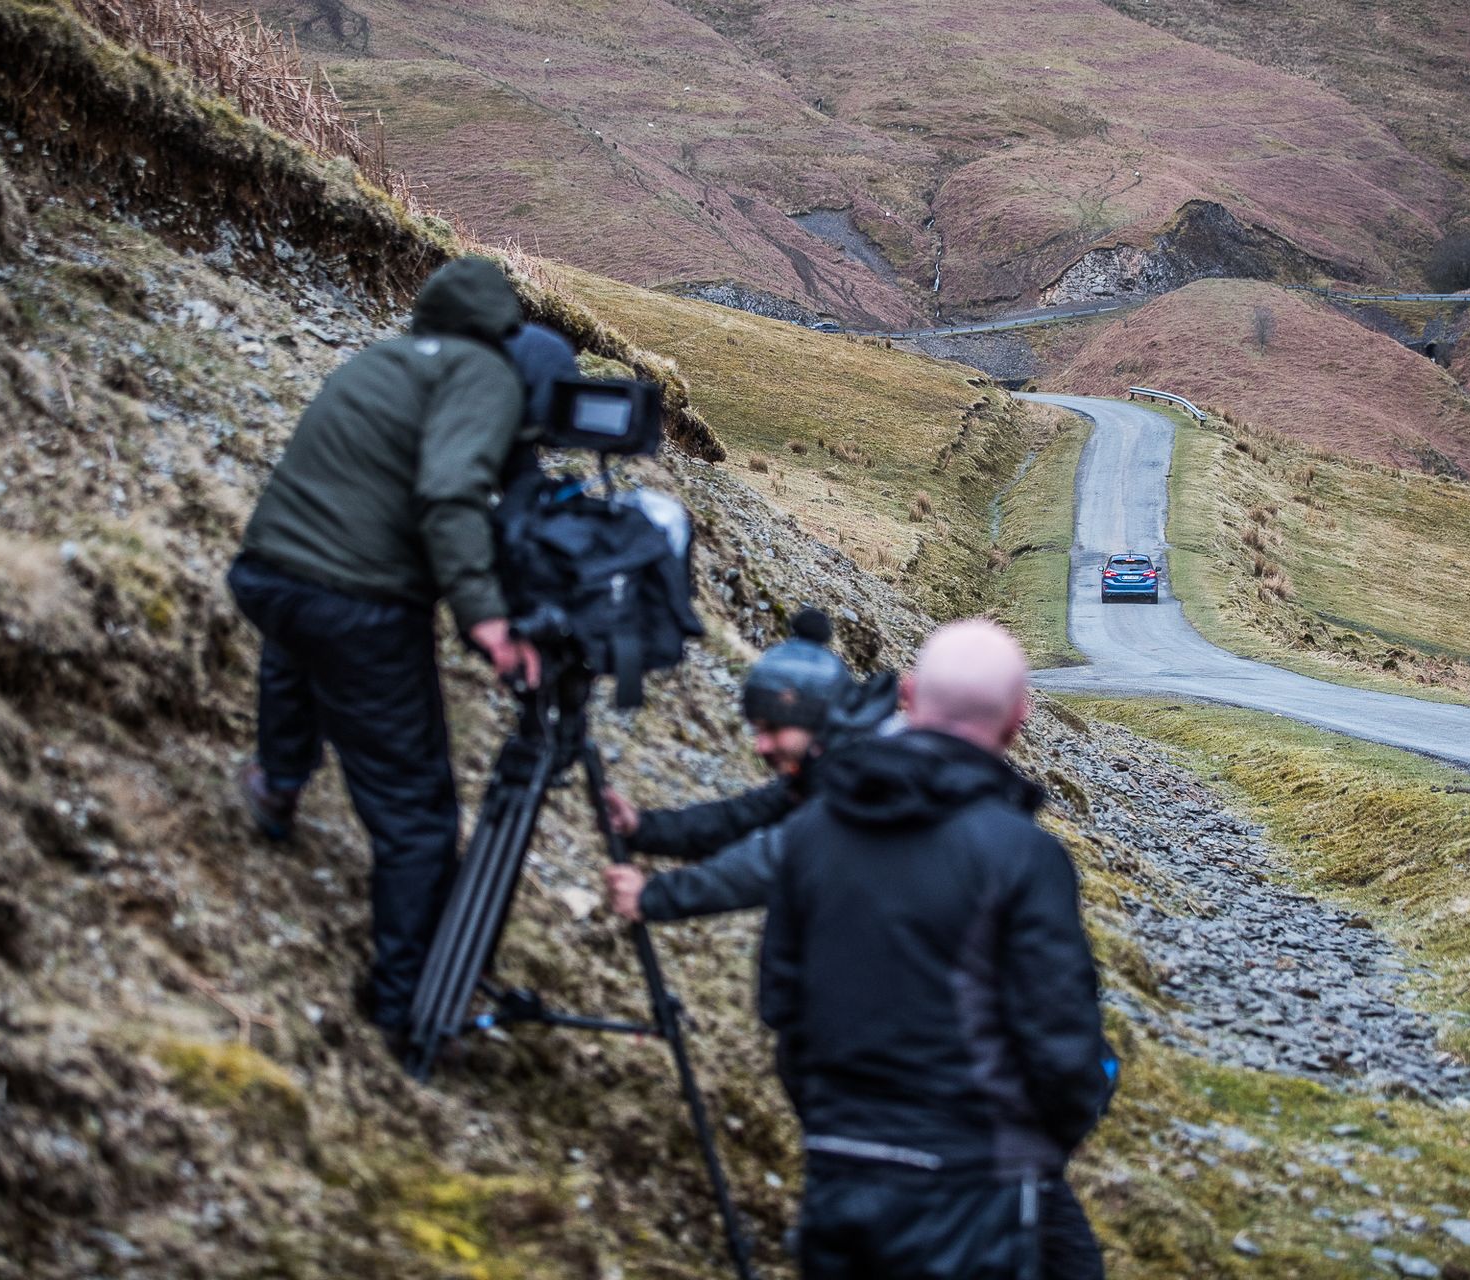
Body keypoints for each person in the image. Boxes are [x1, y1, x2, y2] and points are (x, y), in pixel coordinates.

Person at [226, 255, 556, 1044]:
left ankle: (275, 784)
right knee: (416, 815)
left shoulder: (384, 359)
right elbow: (448, 491)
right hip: (359, 603)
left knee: (296, 657)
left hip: (268, 572)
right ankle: (407, 1000)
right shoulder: (484, 372)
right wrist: (486, 617)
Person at [761, 619, 1113, 1280]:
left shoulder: (811, 833)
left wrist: (835, 1124)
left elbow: (782, 1006)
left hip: (838, 1169)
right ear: (1018, 717)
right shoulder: (1023, 855)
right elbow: (1062, 1048)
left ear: (911, 696)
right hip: (972, 1185)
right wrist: (1030, 1154)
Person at [598, 608, 858, 922]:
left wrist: (655, 896)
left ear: (820, 722)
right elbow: (737, 820)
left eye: (774, 729)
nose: (760, 746)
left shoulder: (858, 787)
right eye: (758, 729)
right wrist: (642, 827)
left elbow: (775, 862)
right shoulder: (822, 772)